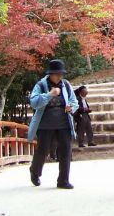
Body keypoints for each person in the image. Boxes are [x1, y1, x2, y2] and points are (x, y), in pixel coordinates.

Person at [28, 59, 79, 189]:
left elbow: (74, 101)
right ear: (50, 74)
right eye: (57, 74)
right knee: (43, 150)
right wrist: (49, 94)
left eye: (61, 74)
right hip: (45, 124)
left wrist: (71, 107)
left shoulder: (66, 85)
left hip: (64, 123)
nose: (59, 76)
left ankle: (63, 180)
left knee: (66, 151)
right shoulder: (41, 85)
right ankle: (35, 171)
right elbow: (34, 102)